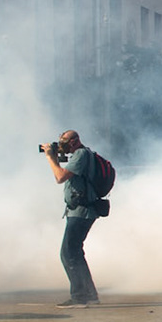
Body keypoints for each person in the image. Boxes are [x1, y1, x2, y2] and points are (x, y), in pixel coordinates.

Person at [45, 130, 103, 305]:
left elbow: (60, 177)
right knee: (73, 252)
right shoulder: (80, 154)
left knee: (69, 252)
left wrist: (50, 157)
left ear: (74, 141)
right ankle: (89, 295)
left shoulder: (81, 154)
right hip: (78, 210)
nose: (61, 145)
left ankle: (81, 296)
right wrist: (58, 156)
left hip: (82, 210)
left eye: (64, 142)